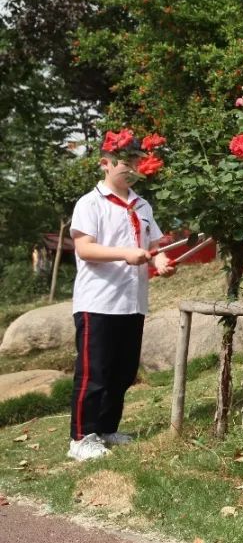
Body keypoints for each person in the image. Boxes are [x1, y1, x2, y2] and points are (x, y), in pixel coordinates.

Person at [68, 130, 176, 462]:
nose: (130, 168)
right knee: (94, 372)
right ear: (104, 163)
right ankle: (80, 437)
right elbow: (84, 248)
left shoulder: (143, 205)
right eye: (124, 162)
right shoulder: (90, 203)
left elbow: (153, 247)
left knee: (123, 371)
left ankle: (106, 429)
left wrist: (160, 260)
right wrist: (125, 254)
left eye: (135, 162)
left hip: (133, 303)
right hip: (97, 302)